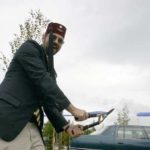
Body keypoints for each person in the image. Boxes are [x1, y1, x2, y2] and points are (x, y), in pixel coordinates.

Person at [0, 22, 88, 150]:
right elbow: (43, 80)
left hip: (33, 126)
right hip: (9, 121)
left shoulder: (51, 73)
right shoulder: (29, 48)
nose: (56, 42)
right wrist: (73, 110)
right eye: (53, 37)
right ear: (43, 37)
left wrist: (67, 127)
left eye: (60, 41)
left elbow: (50, 103)